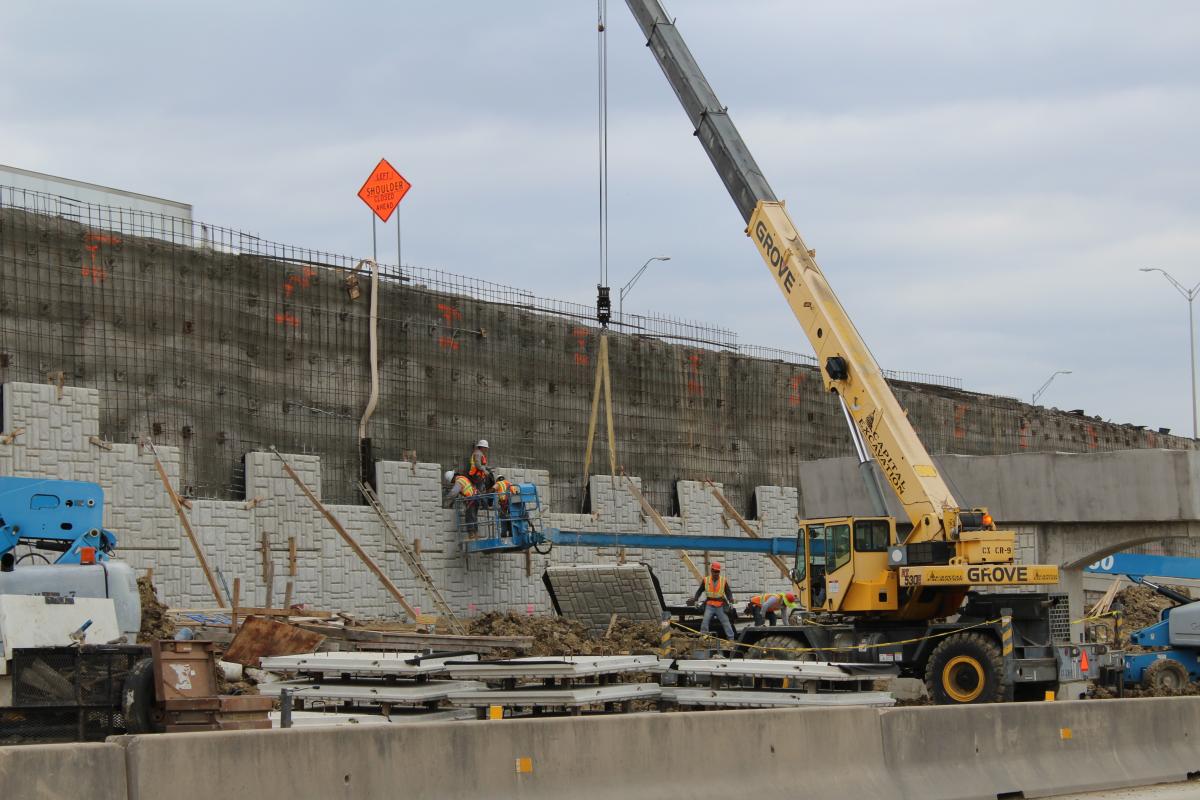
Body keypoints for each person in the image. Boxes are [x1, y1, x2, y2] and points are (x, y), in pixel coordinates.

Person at [690, 562, 735, 643]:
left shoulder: (723, 580)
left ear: (719, 572)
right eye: (714, 571)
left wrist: (731, 601)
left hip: (720, 605)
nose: (716, 573)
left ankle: (731, 639)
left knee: (725, 622)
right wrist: (696, 600)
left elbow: (728, 592)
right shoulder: (706, 580)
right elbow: (699, 591)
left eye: (717, 571)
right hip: (709, 605)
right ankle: (704, 638)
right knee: (705, 621)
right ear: (711, 570)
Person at [443, 469, 479, 535]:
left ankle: (471, 534)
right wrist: (451, 503)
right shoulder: (463, 478)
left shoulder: (458, 481)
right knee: (474, 517)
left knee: (469, 516)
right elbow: (459, 493)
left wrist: (446, 500)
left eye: (451, 481)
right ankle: (475, 533)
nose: (452, 483)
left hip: (471, 499)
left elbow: (454, 493)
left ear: (452, 478)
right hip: (475, 498)